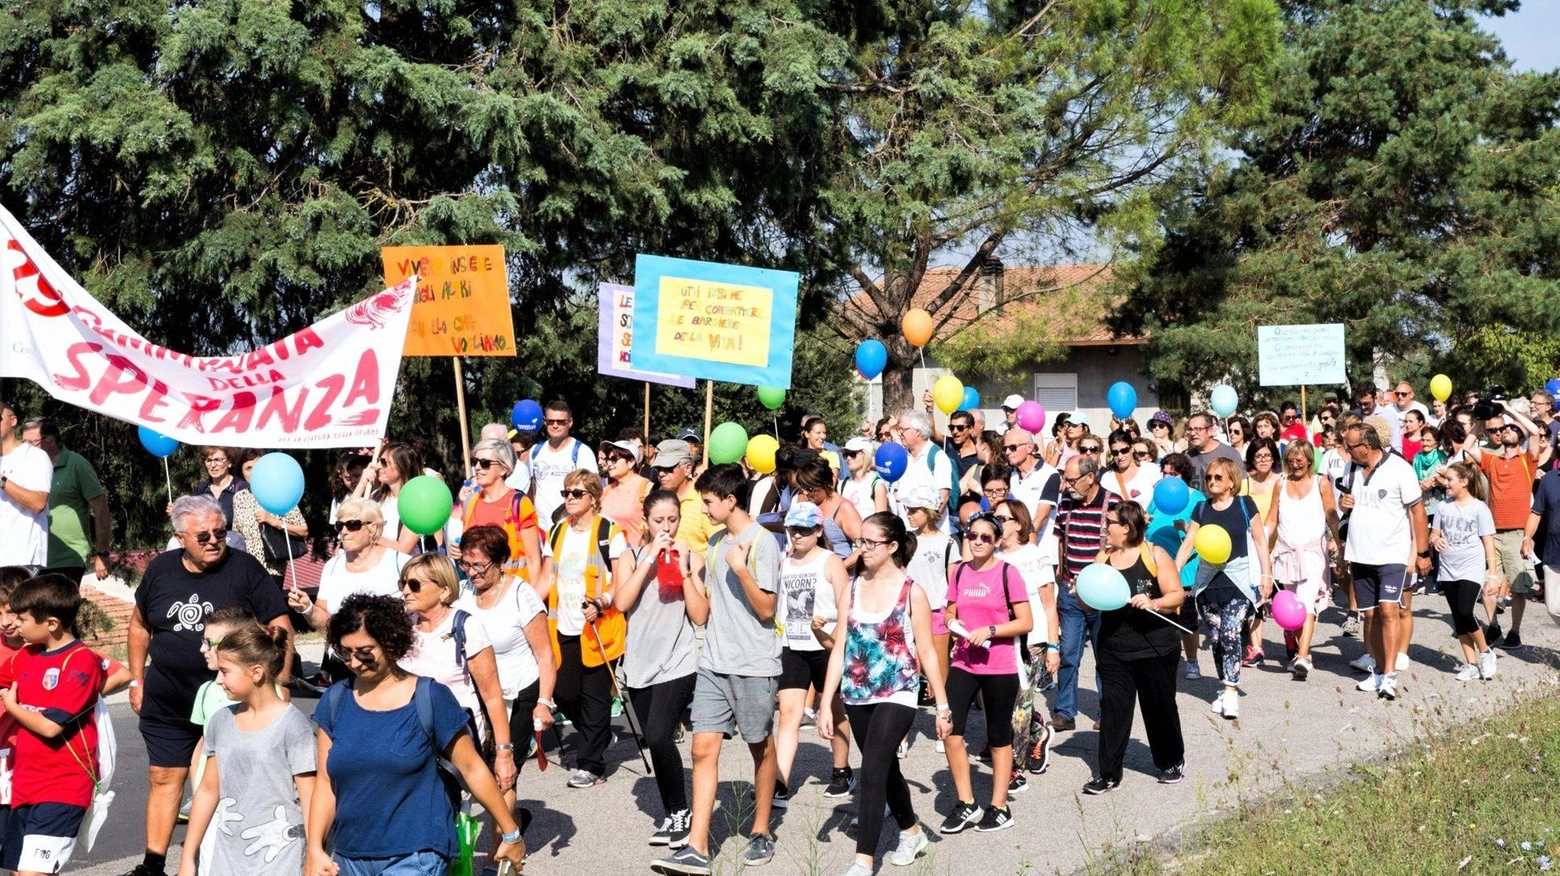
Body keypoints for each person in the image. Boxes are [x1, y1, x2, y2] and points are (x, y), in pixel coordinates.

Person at [126, 495, 292, 876]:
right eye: (204, 535)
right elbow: (139, 625)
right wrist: (137, 678)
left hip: (231, 701)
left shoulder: (245, 569)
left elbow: (278, 625)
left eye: (221, 532)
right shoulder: (161, 569)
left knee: (228, 782)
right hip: (168, 698)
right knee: (164, 776)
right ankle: (153, 864)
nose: (215, 540)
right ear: (180, 536)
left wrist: (277, 683)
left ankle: (236, 861)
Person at [306, 594, 525, 876]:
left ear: (390, 641)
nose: (354, 662)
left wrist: (510, 833)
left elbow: (472, 769)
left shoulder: (429, 697)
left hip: (416, 855)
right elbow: (325, 782)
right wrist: (315, 848)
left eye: (364, 651)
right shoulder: (335, 701)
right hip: (349, 858)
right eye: (345, 652)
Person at [651, 464, 782, 875]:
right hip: (712, 663)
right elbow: (702, 614)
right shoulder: (714, 542)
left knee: (759, 745)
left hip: (754, 664)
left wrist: (741, 569)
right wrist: (689, 573)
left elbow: (766, 609)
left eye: (708, 501)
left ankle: (761, 830)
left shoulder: (764, 543)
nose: (703, 508)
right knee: (702, 748)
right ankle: (698, 846)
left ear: (730, 500)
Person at [816, 512, 949, 876]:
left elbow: (928, 653)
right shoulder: (852, 587)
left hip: (899, 690)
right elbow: (840, 647)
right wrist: (826, 703)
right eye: (860, 542)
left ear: (892, 546)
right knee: (886, 768)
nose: (863, 549)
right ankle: (911, 831)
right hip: (857, 692)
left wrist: (942, 706)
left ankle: (863, 861)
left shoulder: (912, 592)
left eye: (871, 543)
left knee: (872, 768)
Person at [176, 620, 315, 876]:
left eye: (225, 672)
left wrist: (314, 854)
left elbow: (310, 798)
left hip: (280, 858)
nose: (218, 681)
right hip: (228, 858)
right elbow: (207, 791)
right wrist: (188, 857)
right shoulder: (221, 721)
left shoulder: (292, 726)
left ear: (256, 672)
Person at [612, 491, 705, 849]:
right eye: (659, 521)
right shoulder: (630, 556)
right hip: (639, 663)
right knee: (654, 738)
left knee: (659, 733)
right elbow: (621, 602)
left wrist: (683, 572)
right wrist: (649, 557)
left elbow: (700, 615)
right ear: (645, 523)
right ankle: (673, 813)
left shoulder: (691, 556)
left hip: (678, 660)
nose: (667, 527)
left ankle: (681, 813)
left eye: (673, 520)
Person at [0, 573, 106, 876]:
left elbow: (50, 727)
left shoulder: (80, 661)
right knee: (20, 872)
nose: (16, 625)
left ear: (51, 624)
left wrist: (12, 707)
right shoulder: (29, 654)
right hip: (25, 787)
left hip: (61, 788)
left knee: (34, 874)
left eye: (22, 619)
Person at [940, 513, 1033, 832]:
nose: (978, 541)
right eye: (973, 535)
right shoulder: (960, 571)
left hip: (1000, 665)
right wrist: (956, 626)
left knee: (998, 736)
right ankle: (967, 802)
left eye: (985, 537)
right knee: (950, 729)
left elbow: (1025, 622)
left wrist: (991, 630)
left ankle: (999, 806)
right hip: (964, 661)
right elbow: (949, 612)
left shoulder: (1008, 573)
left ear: (995, 542)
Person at [1086, 502, 1186, 793]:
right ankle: (1108, 774)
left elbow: (1176, 595)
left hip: (1156, 647)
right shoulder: (1102, 557)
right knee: (1113, 709)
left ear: (1126, 528)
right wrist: (1081, 590)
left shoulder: (1155, 553)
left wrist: (1152, 602)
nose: (1105, 528)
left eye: (1110, 523)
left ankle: (1170, 761)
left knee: (1159, 708)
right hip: (1114, 649)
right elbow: (1090, 602)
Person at [535, 471, 624, 789]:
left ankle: (591, 765)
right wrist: (526, 606)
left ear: (593, 498)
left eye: (576, 493)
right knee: (563, 691)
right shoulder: (558, 531)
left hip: (599, 626)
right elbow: (547, 578)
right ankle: (598, 734)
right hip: (562, 627)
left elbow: (620, 580)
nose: (568, 498)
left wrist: (602, 601)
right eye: (565, 493)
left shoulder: (609, 531)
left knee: (595, 697)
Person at [1175, 457, 1272, 719]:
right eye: (1208, 478)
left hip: (1238, 580)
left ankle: (1231, 690)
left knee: (1230, 633)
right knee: (1217, 638)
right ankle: (1224, 684)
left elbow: (1260, 541)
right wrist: (1173, 574)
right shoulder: (1201, 508)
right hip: (1209, 582)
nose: (1212, 482)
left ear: (1231, 481)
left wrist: (1266, 575)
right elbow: (1189, 544)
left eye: (1218, 477)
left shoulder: (1244, 504)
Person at [1338, 422, 1429, 701]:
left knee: (1389, 610)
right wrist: (1344, 505)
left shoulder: (1399, 468)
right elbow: (1347, 505)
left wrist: (1422, 553)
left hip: (1393, 554)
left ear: (1367, 447)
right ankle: (1377, 671)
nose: (1347, 451)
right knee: (1371, 614)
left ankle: (1389, 676)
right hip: (1360, 554)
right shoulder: (1351, 469)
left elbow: (1417, 511)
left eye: (1351, 447)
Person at [772, 502, 854, 809]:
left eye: (805, 530)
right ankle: (779, 782)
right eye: (793, 529)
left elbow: (846, 605)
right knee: (789, 715)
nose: (797, 536)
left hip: (825, 644)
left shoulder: (830, 562)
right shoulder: (785, 562)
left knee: (834, 707)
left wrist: (836, 635)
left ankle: (841, 770)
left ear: (819, 531)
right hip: (792, 645)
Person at [1050, 454, 1119, 731]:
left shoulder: (1113, 503)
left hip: (1102, 593)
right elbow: (1059, 539)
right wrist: (1060, 574)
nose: (1067, 485)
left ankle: (1107, 711)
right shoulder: (1066, 502)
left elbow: (1122, 546)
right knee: (1068, 653)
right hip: (1070, 590)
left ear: (1091, 478)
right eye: (1065, 479)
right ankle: (1065, 712)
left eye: (1071, 479)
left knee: (1105, 655)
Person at [992, 499, 1060, 775]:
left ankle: (1015, 769)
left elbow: (1049, 605)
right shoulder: (993, 557)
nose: (996, 522)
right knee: (1005, 700)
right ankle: (1037, 731)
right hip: (1000, 639)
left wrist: (1054, 647)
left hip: (1032, 640)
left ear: (1018, 524)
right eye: (994, 517)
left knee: (1020, 704)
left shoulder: (1034, 556)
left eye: (1002, 518)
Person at [1470, 403, 1543, 649]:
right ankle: (1493, 627)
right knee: (1488, 586)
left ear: (1518, 436)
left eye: (1511, 429)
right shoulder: (1491, 460)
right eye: (1502, 429)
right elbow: (1468, 447)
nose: (1505, 431)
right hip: (1492, 533)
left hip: (1517, 533)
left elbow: (1535, 432)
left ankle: (1515, 631)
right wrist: (1481, 420)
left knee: (1519, 589)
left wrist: (1507, 409)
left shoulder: (1527, 460)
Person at [1269, 441, 1340, 680]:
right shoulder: (1281, 484)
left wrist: (1338, 544)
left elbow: (1332, 514)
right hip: (1285, 553)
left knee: (1306, 605)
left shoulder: (1321, 482)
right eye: (1290, 460)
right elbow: (1272, 520)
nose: (1295, 464)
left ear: (1309, 460)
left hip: (1312, 553)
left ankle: (1302, 656)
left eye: (1300, 460)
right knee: (1291, 607)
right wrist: (1259, 544)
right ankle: (1299, 647)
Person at [20, 417, 110, 582]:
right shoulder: (25, 468)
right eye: (23, 442)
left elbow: (101, 508)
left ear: (51, 440)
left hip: (68, 559)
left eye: (31, 443)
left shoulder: (77, 465)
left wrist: (102, 553)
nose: (25, 449)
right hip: (31, 558)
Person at [1431, 462, 1499, 681]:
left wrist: (1493, 574)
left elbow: (1489, 542)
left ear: (1464, 481)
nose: (1446, 483)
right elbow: (1434, 533)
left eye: (1449, 479)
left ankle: (1485, 652)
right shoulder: (1443, 506)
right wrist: (1435, 539)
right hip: (1448, 567)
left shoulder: (1479, 508)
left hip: (1471, 566)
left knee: (1465, 610)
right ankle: (1470, 664)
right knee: (1458, 617)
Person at [902, 484, 955, 752]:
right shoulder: (905, 540)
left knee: (939, 671)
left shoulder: (947, 542)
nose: (908, 514)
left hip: (937, 611)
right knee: (908, 670)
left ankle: (942, 722)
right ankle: (900, 734)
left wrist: (952, 612)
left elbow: (952, 580)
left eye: (914, 509)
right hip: (908, 611)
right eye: (907, 509)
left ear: (928, 510)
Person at [1145, 454, 1205, 679]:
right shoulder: (1158, 494)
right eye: (1166, 473)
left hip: (1185, 568)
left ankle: (1192, 661)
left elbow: (1203, 534)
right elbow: (1148, 517)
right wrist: (1144, 520)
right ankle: (1159, 658)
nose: (1168, 478)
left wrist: (1188, 526)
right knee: (1157, 613)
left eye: (1174, 474)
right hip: (1156, 566)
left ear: (1184, 475)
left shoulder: (1196, 498)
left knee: (1187, 618)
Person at [454, 438, 543, 582]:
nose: (477, 467)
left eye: (485, 463)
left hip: (512, 591)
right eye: (475, 462)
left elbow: (533, 560)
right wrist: (460, 551)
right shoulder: (470, 501)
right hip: (478, 592)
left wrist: (532, 598)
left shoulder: (520, 503)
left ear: (503, 469)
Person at [231, 453, 309, 581]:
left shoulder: (280, 492)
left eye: (258, 467)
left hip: (272, 569)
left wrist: (273, 521)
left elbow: (303, 530)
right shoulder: (239, 498)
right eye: (248, 468)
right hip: (245, 569)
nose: (254, 472)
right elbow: (237, 533)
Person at [0, 400, 51, 568]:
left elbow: (38, 503)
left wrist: (2, 481)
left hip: (21, 559)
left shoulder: (35, 456)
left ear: (13, 420)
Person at [530, 401, 598, 527]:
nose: (555, 425)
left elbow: (594, 491)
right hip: (540, 528)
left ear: (570, 422)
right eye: (551, 421)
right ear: (545, 422)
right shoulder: (535, 451)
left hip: (571, 526)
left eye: (561, 422)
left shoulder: (582, 452)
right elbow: (532, 489)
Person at [890, 410, 954, 533]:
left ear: (918, 432)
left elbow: (943, 497)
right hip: (906, 534)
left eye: (903, 429)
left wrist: (927, 529)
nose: (899, 433)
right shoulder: (903, 457)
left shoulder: (938, 457)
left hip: (930, 535)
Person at [651, 439, 714, 557]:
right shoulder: (655, 498)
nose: (661, 474)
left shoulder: (704, 499)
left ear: (688, 468)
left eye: (668, 469)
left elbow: (718, 545)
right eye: (658, 468)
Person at [794, 457, 862, 564]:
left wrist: (840, 569)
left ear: (824, 484)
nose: (805, 493)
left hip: (840, 573)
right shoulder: (808, 506)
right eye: (803, 488)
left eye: (810, 489)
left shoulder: (843, 508)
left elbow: (864, 548)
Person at [363, 441, 424, 553]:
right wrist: (362, 483)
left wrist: (365, 534)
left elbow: (404, 548)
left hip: (401, 567)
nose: (377, 467)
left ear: (402, 466)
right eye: (378, 461)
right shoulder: (376, 496)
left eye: (384, 462)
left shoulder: (416, 502)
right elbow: (348, 517)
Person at [600, 439, 654, 547]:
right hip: (607, 557)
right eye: (608, 459)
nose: (609, 463)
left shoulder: (647, 488)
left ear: (631, 462)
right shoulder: (606, 491)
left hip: (635, 556)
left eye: (614, 459)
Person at [1184, 412, 1246, 495]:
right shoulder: (1186, 458)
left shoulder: (1230, 454)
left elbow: (1241, 486)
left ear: (1210, 431)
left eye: (1198, 429)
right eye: (1190, 429)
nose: (1192, 433)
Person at [1102, 428, 1159, 508]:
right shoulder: (1107, 478)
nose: (1120, 456)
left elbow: (1163, 497)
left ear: (1132, 448)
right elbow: (1105, 509)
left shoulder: (1150, 469)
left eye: (1124, 450)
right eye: (1115, 453)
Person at [195, 446, 245, 529]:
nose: (213, 465)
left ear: (230, 462)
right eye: (209, 460)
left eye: (218, 460)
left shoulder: (242, 488)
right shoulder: (202, 489)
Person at [840, 437, 888, 518]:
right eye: (845, 454)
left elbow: (880, 522)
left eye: (852, 453)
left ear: (865, 454)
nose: (848, 458)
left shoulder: (877, 484)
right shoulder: (842, 484)